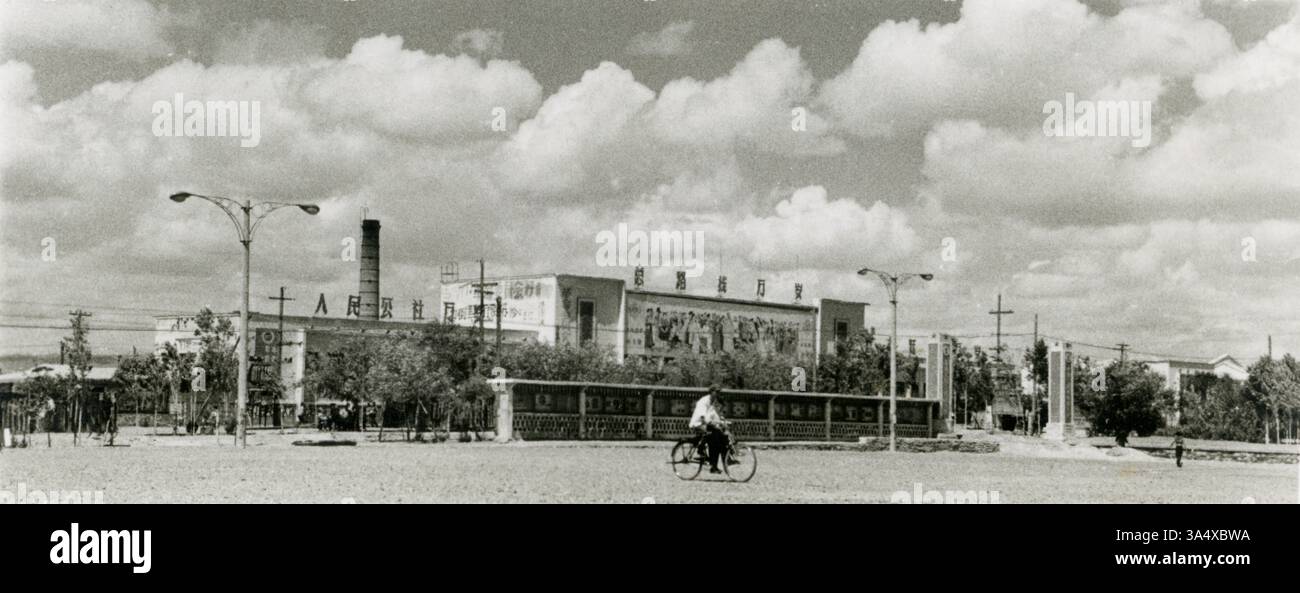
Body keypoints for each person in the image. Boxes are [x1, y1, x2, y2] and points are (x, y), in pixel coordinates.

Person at [689, 384, 731, 474]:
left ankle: (718, 464)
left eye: (719, 392)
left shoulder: (712, 402)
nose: (718, 394)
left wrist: (722, 421)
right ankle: (701, 451)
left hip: (706, 424)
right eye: (717, 392)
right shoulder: (704, 401)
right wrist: (710, 422)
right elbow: (702, 416)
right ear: (711, 392)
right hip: (698, 424)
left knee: (720, 438)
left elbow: (714, 415)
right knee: (713, 437)